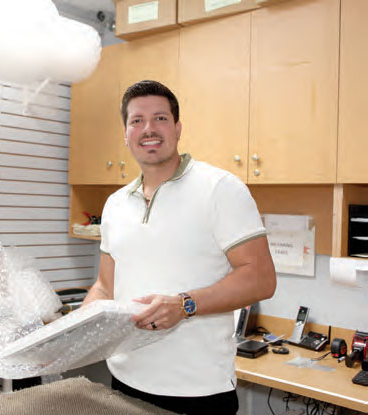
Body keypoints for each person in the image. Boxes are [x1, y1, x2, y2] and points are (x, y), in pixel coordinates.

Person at [82, 80, 276, 415]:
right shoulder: (115, 204)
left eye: (160, 118)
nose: (148, 129)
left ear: (177, 128)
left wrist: (185, 304)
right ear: (126, 134)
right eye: (137, 121)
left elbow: (261, 278)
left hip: (197, 392)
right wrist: (71, 333)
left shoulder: (220, 189)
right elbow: (104, 286)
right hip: (125, 381)